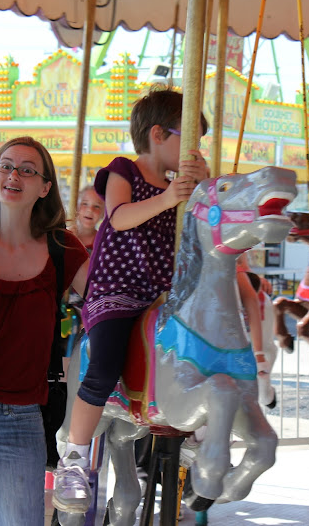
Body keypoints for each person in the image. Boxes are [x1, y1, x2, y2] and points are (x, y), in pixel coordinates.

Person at [52, 89, 210, 513]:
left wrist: (203, 183)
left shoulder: (180, 188)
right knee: (104, 366)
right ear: (158, 134)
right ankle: (74, 458)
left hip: (161, 295)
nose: (194, 150)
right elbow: (118, 216)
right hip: (116, 292)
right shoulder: (124, 169)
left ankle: (198, 433)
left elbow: (204, 222)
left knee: (200, 351)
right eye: (190, 140)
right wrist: (169, 197)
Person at [0, 137, 89, 526]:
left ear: (45, 187)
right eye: (5, 166)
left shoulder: (62, 248)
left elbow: (106, 300)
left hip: (19, 414)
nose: (13, 175)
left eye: (27, 170)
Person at [68, 185, 104, 252]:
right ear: (77, 207)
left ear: (103, 213)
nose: (90, 210)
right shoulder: (66, 235)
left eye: (97, 206)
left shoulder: (102, 242)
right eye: (85, 204)